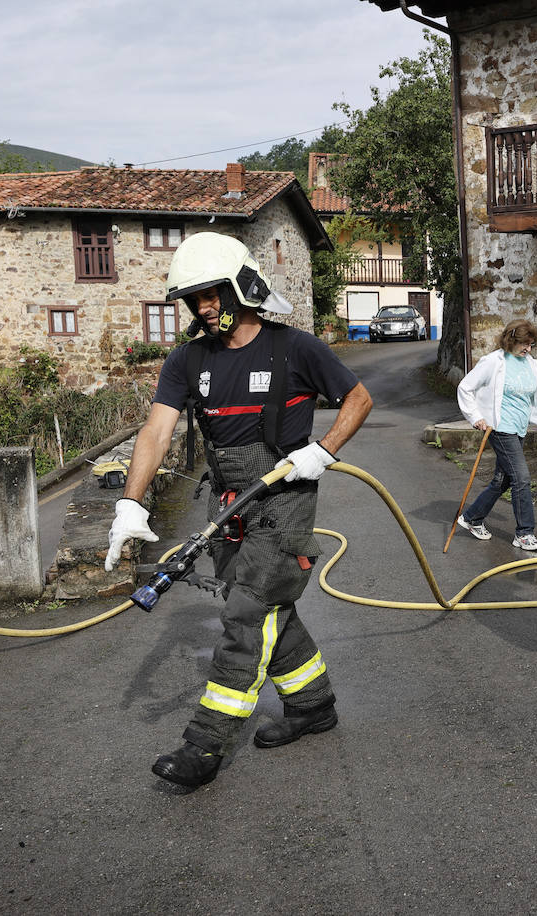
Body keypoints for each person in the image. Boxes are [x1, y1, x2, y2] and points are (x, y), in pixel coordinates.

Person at [104, 232, 372, 789]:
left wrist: (322, 452)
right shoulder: (187, 359)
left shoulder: (295, 348)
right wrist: (128, 504)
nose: (203, 308)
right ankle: (312, 706)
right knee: (268, 609)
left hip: (284, 501)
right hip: (226, 503)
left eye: (211, 295)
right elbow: (157, 430)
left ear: (242, 288)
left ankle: (205, 745)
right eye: (193, 299)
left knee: (245, 614)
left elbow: (358, 398)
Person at [454, 318, 537, 552]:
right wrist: (475, 416)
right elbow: (465, 387)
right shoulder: (493, 362)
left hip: (518, 429)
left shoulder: (529, 363)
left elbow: (536, 397)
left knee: (504, 479)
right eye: (525, 344)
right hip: (499, 428)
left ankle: (471, 518)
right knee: (522, 478)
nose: (528, 349)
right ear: (511, 340)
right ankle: (524, 533)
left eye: (531, 345)